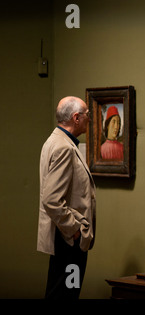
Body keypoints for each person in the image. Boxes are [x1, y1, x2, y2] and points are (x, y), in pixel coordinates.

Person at [38, 96, 96, 299]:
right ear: (76, 117)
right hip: (68, 241)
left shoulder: (56, 140)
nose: (90, 118)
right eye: (87, 114)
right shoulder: (63, 147)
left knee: (62, 293)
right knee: (65, 295)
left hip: (65, 237)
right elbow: (52, 199)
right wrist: (75, 230)